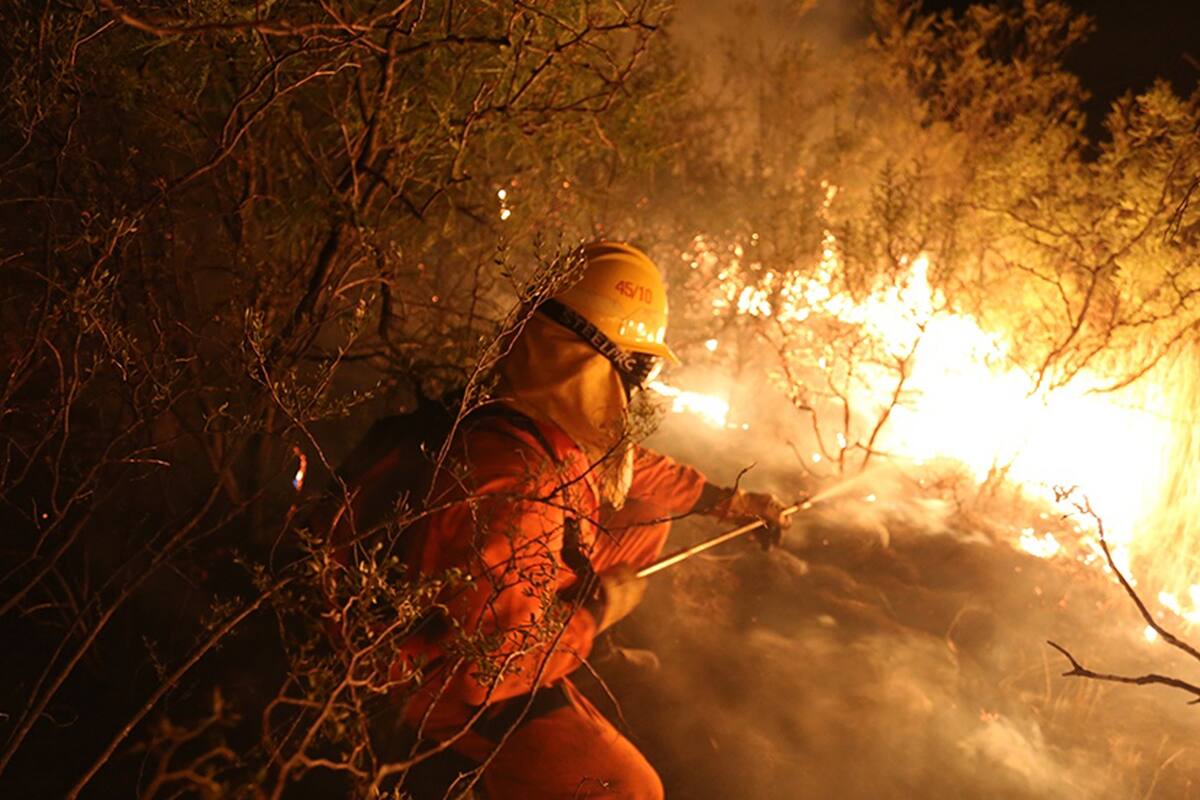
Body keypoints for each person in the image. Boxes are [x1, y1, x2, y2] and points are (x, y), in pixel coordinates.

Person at [372, 242, 792, 798]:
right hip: (434, 679)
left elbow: (629, 468)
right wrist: (593, 613)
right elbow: (484, 672)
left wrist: (726, 500)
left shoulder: (514, 410)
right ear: (598, 359)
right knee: (632, 789)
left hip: (459, 601)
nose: (636, 383)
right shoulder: (526, 491)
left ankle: (565, 647)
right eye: (638, 365)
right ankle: (471, 757)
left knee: (648, 513)